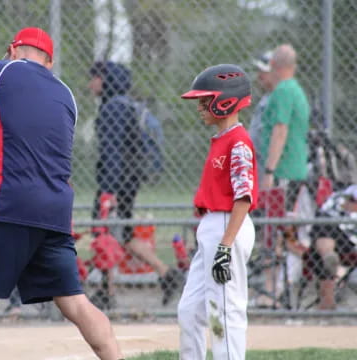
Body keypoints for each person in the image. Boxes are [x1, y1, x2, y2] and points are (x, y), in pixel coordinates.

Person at [0, 27, 124, 360]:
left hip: (9, 204)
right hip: (55, 211)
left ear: (12, 49)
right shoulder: (66, 95)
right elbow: (7, 149)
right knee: (75, 301)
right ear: (48, 62)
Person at [178, 64, 259, 360]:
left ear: (226, 101)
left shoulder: (238, 142)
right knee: (190, 311)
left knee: (225, 312)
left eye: (205, 99)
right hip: (214, 226)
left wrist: (225, 244)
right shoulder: (223, 139)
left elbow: (244, 197)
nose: (200, 106)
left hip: (228, 225)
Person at [88, 60, 183, 308]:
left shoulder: (112, 108)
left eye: (95, 78)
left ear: (105, 80)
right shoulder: (126, 105)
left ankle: (107, 293)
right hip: (128, 180)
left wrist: (110, 191)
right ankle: (165, 273)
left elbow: (113, 153)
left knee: (104, 231)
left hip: (116, 182)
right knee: (122, 233)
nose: (91, 83)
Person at [260, 44, 310, 208]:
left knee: (280, 224)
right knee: (287, 223)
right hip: (295, 167)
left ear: (273, 64)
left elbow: (280, 130)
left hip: (283, 170)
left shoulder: (283, 91)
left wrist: (269, 171)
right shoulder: (295, 89)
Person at [307, 185, 357, 309]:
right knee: (325, 227)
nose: (347, 203)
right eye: (348, 199)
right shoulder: (336, 198)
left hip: (350, 241)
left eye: (353, 201)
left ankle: (327, 304)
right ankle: (328, 254)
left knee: (320, 251)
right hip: (329, 230)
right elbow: (322, 213)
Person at [248, 50, 274, 180]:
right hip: (258, 163)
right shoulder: (267, 97)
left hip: (269, 166)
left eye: (264, 71)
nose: (260, 75)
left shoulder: (278, 98)